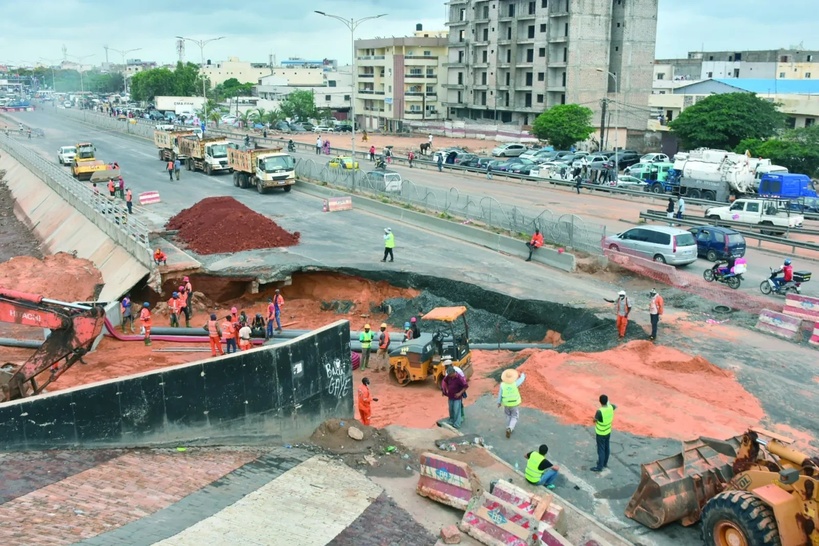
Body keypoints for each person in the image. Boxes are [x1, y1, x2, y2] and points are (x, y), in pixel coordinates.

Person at [591, 394, 617, 472]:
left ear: (600, 401)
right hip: (608, 431)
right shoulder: (611, 407)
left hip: (600, 432)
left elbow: (595, 420)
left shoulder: (600, 411)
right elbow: (614, 406)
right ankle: (605, 463)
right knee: (606, 448)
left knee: (601, 450)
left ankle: (600, 466)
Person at [498, 368, 526, 438]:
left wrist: (499, 402)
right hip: (514, 403)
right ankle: (510, 428)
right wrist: (523, 375)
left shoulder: (502, 385)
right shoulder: (515, 383)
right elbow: (521, 380)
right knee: (514, 416)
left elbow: (500, 394)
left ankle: (508, 426)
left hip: (506, 403)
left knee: (508, 415)